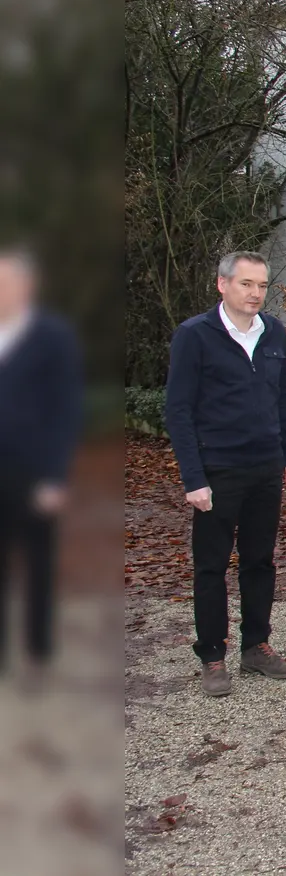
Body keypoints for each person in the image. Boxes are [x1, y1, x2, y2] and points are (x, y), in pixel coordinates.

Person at [164, 251, 286, 697]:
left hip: (265, 468)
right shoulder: (195, 336)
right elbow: (179, 412)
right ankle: (212, 656)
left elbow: (282, 402)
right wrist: (193, 478)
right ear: (222, 285)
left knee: (259, 562)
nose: (256, 294)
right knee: (211, 566)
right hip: (217, 469)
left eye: (262, 286)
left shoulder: (274, 333)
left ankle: (255, 646)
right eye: (247, 284)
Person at [0, 249, 82, 688]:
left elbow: (65, 410)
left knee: (37, 565)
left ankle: (38, 654)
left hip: (33, 472)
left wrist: (55, 476)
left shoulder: (52, 336)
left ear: (27, 287)